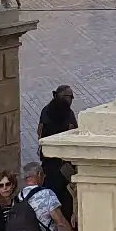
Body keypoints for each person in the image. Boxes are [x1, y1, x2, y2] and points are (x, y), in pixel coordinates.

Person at [37, 85, 78, 221]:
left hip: (48, 163)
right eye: (71, 97)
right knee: (66, 201)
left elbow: (40, 132)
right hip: (63, 166)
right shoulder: (68, 115)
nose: (71, 100)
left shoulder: (45, 111)